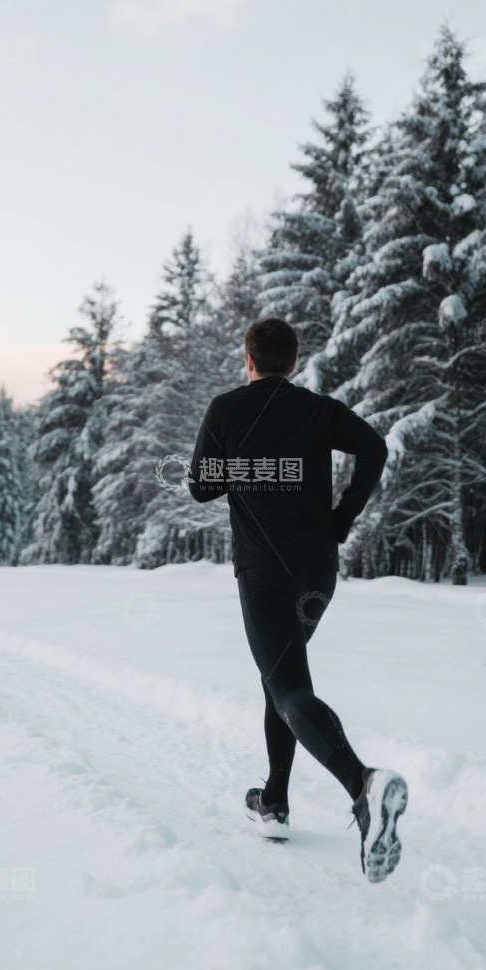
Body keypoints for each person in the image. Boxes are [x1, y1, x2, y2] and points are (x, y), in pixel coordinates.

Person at [188, 316, 408, 883]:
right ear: (294, 359)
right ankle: (275, 800)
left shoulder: (227, 409)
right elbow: (375, 449)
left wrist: (242, 465)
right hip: (317, 571)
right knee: (282, 679)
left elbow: (201, 487)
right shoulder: (318, 409)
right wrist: (341, 518)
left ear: (249, 358)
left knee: (286, 685)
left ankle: (363, 784)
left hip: (264, 573)